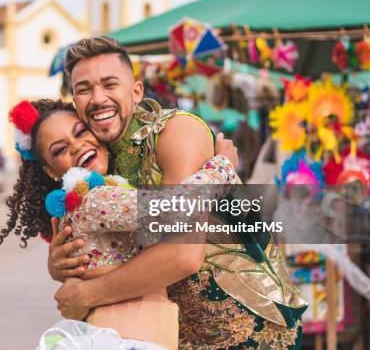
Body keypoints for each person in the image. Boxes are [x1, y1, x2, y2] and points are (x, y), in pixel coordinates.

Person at [48, 37, 306, 349]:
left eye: (109, 84)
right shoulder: (97, 160)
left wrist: (88, 294)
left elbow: (182, 255)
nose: (98, 98)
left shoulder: (175, 132)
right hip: (173, 332)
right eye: (84, 89)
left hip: (248, 328)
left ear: (137, 91)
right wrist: (62, 264)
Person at [0, 98, 239, 349]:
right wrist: (222, 165)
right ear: (51, 171)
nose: (76, 146)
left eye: (80, 132)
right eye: (59, 149)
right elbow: (173, 209)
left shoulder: (94, 197)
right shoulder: (94, 200)